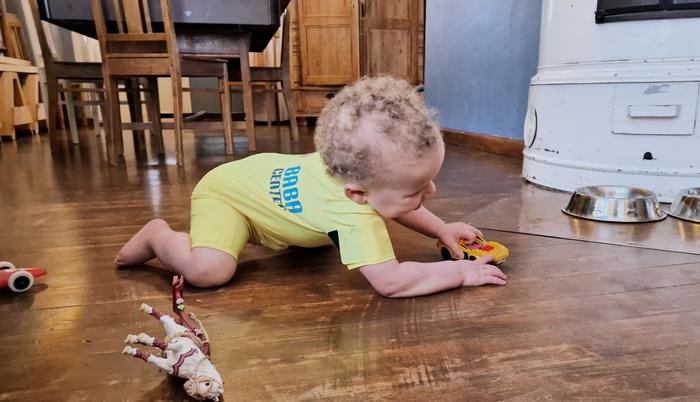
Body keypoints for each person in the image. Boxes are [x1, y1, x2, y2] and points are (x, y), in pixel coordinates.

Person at [115, 76, 507, 297]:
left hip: (262, 188)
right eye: (416, 190)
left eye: (428, 182)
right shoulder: (352, 212)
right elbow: (392, 282)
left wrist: (441, 229)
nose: (431, 194)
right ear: (357, 195)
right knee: (208, 271)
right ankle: (158, 236)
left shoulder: (354, 171)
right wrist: (461, 275)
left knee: (364, 216)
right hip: (227, 196)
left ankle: (293, 229)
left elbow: (396, 202)